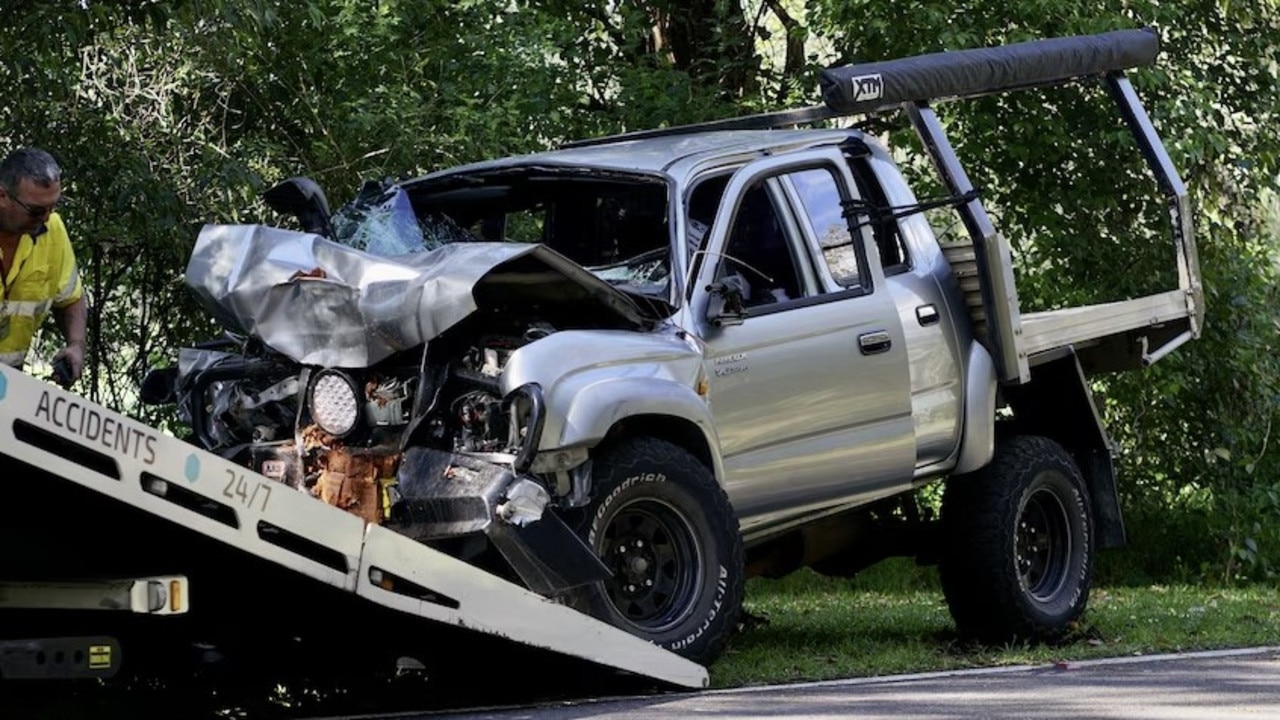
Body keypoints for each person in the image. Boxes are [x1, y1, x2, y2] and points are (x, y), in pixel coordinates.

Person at [0, 147, 86, 385]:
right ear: (2, 196)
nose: (46, 217)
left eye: (52, 207)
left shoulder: (52, 230)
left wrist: (76, 345)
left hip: (10, 383)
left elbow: (71, 298)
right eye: (36, 210)